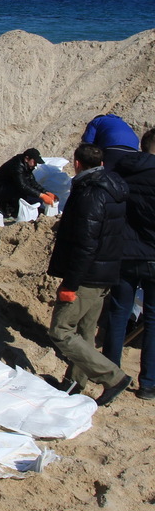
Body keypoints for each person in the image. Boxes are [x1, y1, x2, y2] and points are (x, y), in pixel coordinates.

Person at [45, 143, 131, 406]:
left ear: (77, 163)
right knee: (85, 332)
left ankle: (113, 377)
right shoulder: (113, 187)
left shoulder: (90, 194)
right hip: (105, 271)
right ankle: (74, 384)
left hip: (87, 275)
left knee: (60, 331)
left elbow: (86, 244)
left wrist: (71, 283)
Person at [103, 128, 155, 401]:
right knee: (153, 320)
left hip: (123, 253)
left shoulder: (120, 171)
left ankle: (112, 377)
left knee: (118, 314)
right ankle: (148, 384)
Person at [0, 149, 56, 220]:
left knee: (30, 195)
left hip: (8, 188)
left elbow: (32, 182)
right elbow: (23, 186)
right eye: (34, 161)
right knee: (21, 191)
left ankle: (14, 209)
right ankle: (8, 210)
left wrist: (46, 192)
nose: (35, 164)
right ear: (27, 159)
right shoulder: (16, 166)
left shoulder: (26, 166)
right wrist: (41, 195)